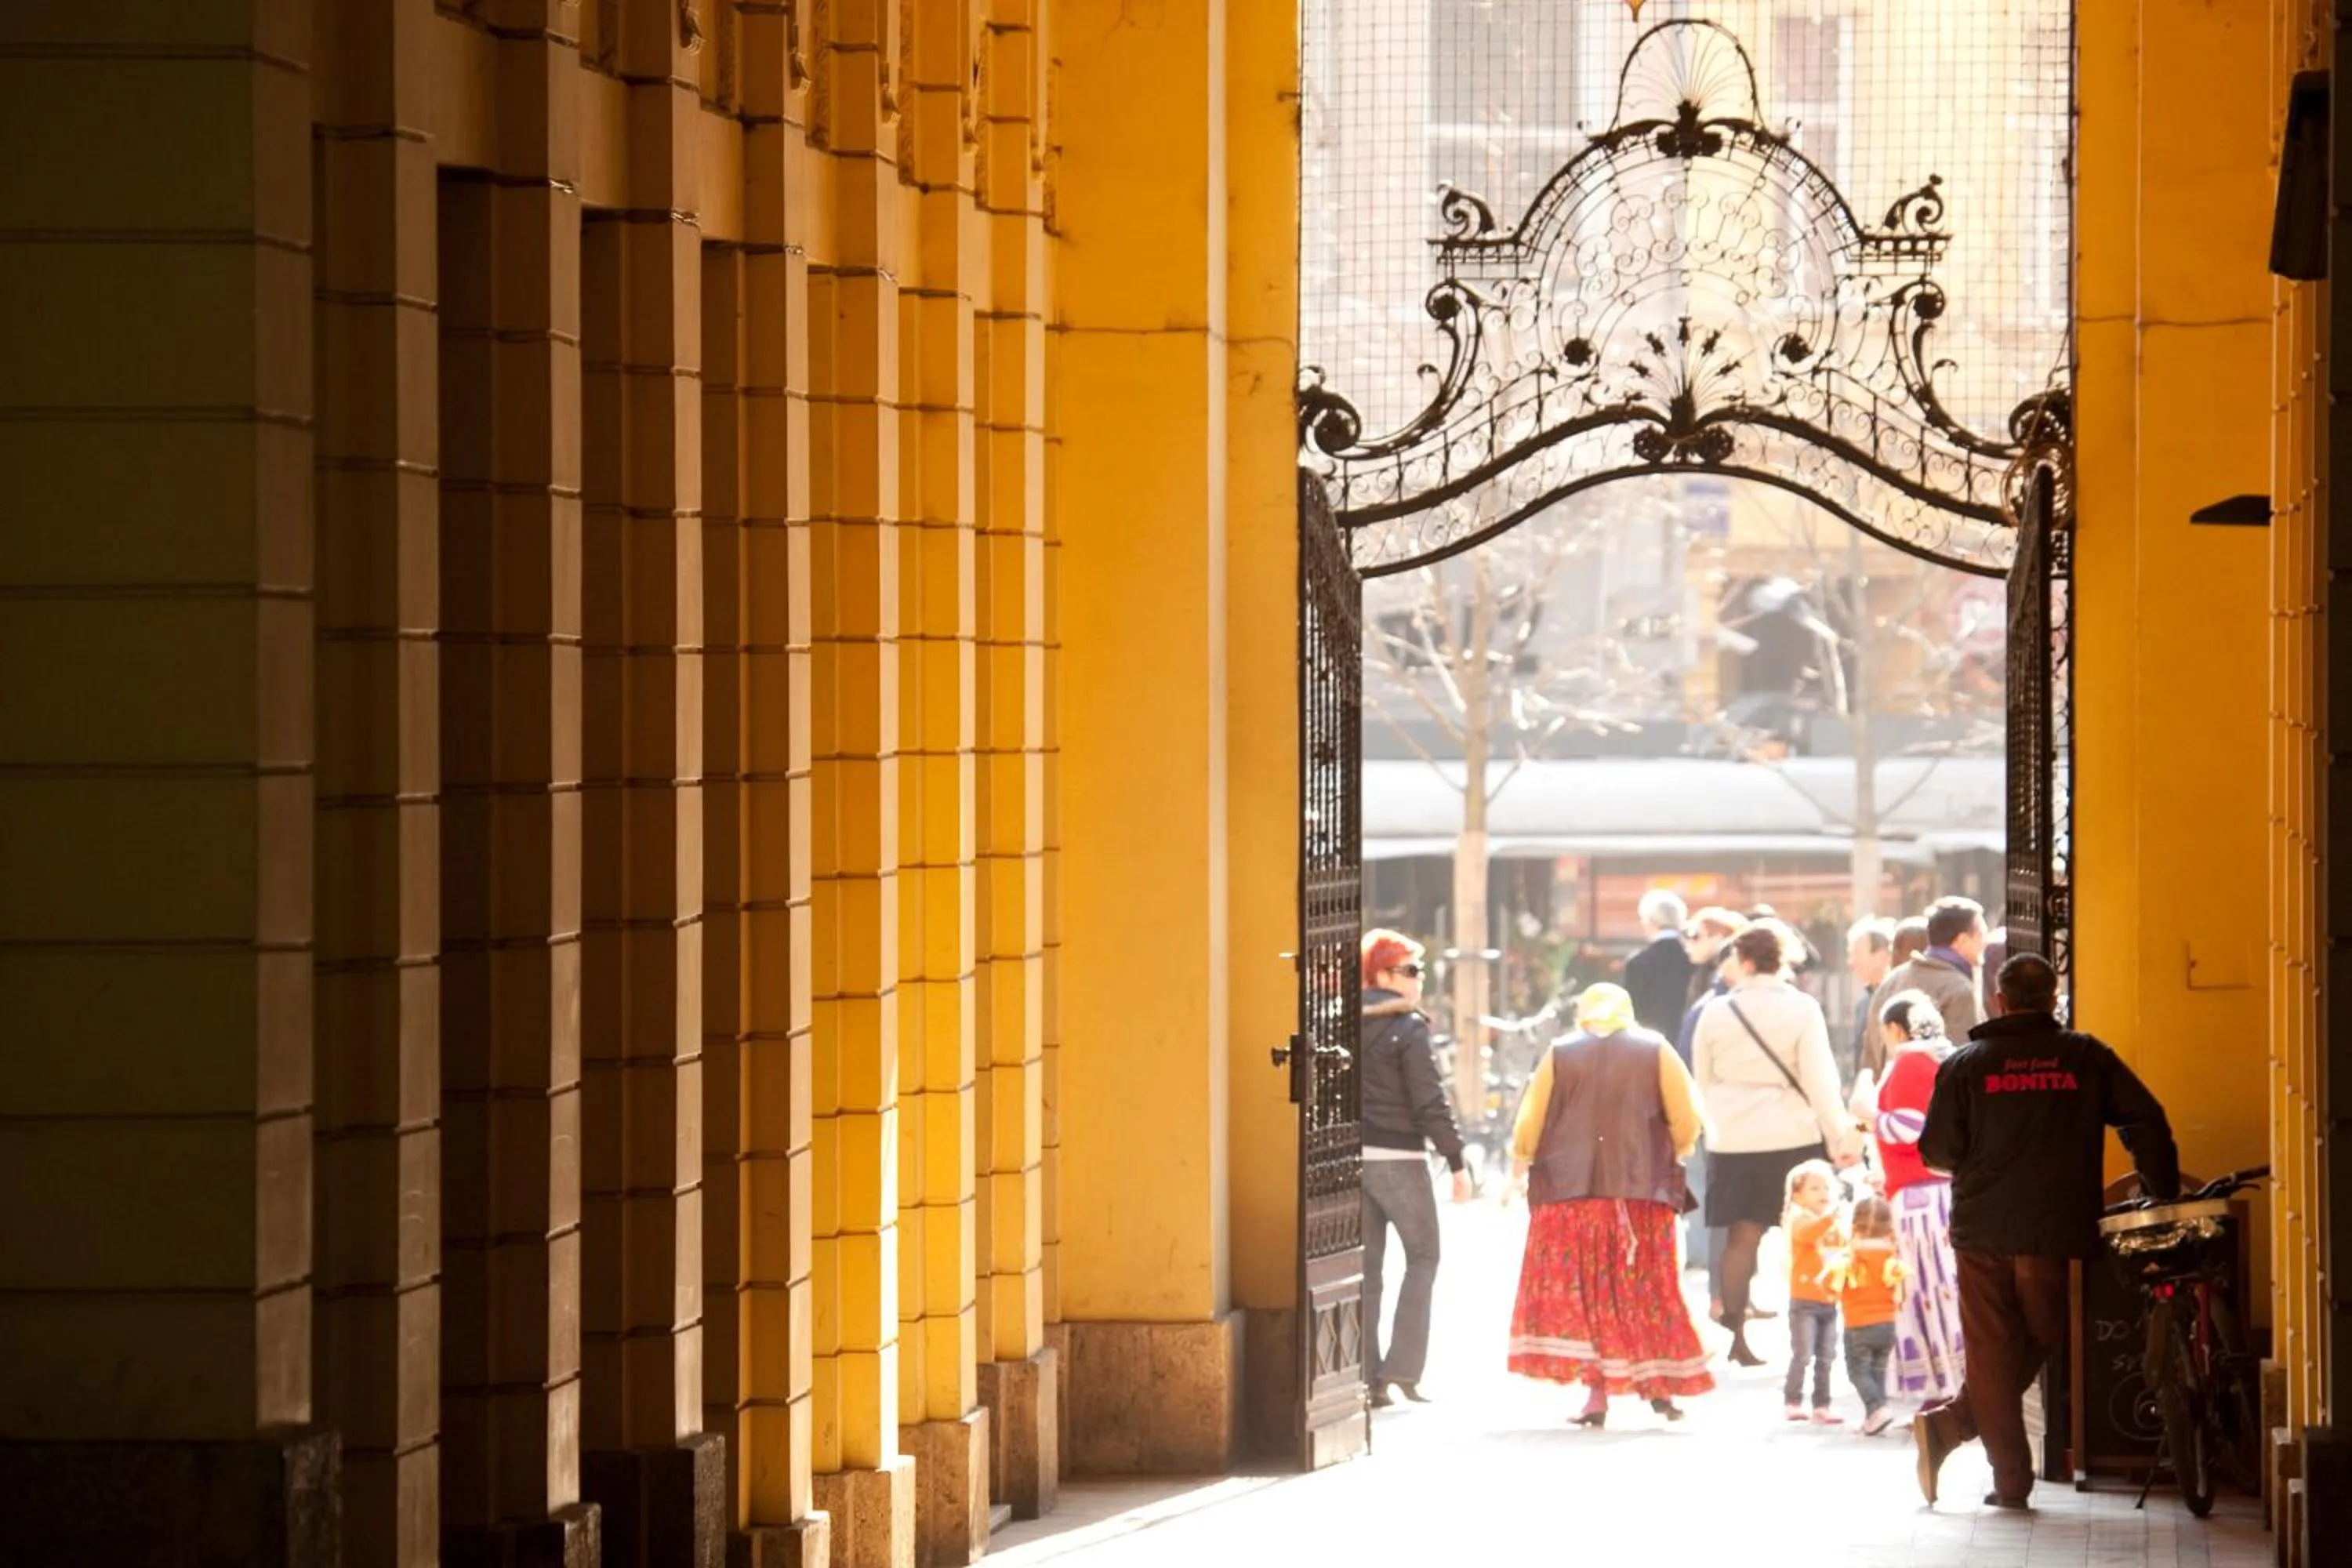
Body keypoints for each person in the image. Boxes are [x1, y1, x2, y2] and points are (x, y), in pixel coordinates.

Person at [1913, 953, 2180, 1511]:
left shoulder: (1966, 1064)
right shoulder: (2085, 1056)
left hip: (1982, 1230)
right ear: (2054, 998)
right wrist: (2162, 1194)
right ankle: (1966, 1441)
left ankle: (1995, 1466)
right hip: (2057, 1229)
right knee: (2045, 1335)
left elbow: (1937, 1151)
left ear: (1999, 1000)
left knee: (1992, 1352)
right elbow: (2145, 1117)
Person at [1507, 982, 1712, 1427]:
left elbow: (1531, 1118)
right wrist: (1678, 1147)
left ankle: (1596, 1395)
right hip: (1641, 1194)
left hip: (1570, 1195)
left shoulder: (1560, 1053)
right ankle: (1658, 1387)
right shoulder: (1655, 1049)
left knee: (1589, 1296)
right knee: (1645, 1292)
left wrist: (1522, 1159)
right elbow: (1685, 1116)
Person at [1692, 924, 1863, 1367]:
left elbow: (1701, 1080)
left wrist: (1715, 1123)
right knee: (1806, 1235)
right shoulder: (1802, 1008)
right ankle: (1808, 1333)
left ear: (1745, 961)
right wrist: (1839, 1134)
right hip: (1793, 1133)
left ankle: (1737, 1337)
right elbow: (1821, 1080)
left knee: (1741, 1236)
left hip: (1734, 1138)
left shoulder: (1717, 1011)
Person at [1358, 928, 1473, 1408]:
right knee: (1423, 1258)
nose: (1419, 979)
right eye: (1410, 970)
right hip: (1401, 1159)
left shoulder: (1339, 1022)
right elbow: (1428, 1100)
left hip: (1351, 1159)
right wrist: (1456, 1159)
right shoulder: (1408, 1027)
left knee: (1367, 1270)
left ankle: (1367, 1377)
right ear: (1383, 974)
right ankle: (1402, 1369)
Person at [1872, 990, 1964, 1406]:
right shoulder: (1939, 1058)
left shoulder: (1910, 1061)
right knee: (1942, 1285)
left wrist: (1867, 1115)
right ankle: (1950, 1381)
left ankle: (1946, 1384)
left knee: (1930, 1288)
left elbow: (1911, 1127)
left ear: (1896, 1029)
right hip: (1936, 1190)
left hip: (1920, 1195)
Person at [1864, 898, 1987, 1080]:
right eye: (1981, 936)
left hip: (1889, 1102)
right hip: (1935, 1104)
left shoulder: (1891, 980)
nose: (1984, 944)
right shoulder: (1960, 990)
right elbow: (1963, 1069)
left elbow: (1870, 1061)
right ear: (1962, 940)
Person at [1780, 1160, 1843, 1425]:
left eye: (1826, 1188)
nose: (1823, 1194)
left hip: (1828, 1299)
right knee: (1803, 1353)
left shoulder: (1829, 1223)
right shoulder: (1799, 1219)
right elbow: (1808, 1235)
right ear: (1797, 1194)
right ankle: (1792, 1400)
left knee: (1827, 1355)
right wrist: (1832, 1217)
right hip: (1804, 1300)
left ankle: (1822, 1405)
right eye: (1815, 1188)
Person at [1835, 1195, 1903, 1435]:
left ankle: (1878, 1409)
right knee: (1878, 1372)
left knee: (1858, 1372)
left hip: (1858, 1325)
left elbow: (1834, 1286)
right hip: (1887, 1323)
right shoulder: (1891, 1255)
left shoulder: (1850, 1256)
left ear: (1855, 1225)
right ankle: (1873, 1418)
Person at [1624, 889, 1697, 1038]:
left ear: (1651, 922)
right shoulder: (1694, 960)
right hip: (1688, 1044)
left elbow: (1632, 1015)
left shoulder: (1637, 963)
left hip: (1649, 1048)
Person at [1843, 917, 1897, 1089]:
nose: (1851, 962)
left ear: (1881, 956)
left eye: (1857, 954)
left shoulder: (1896, 998)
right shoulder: (1865, 1000)